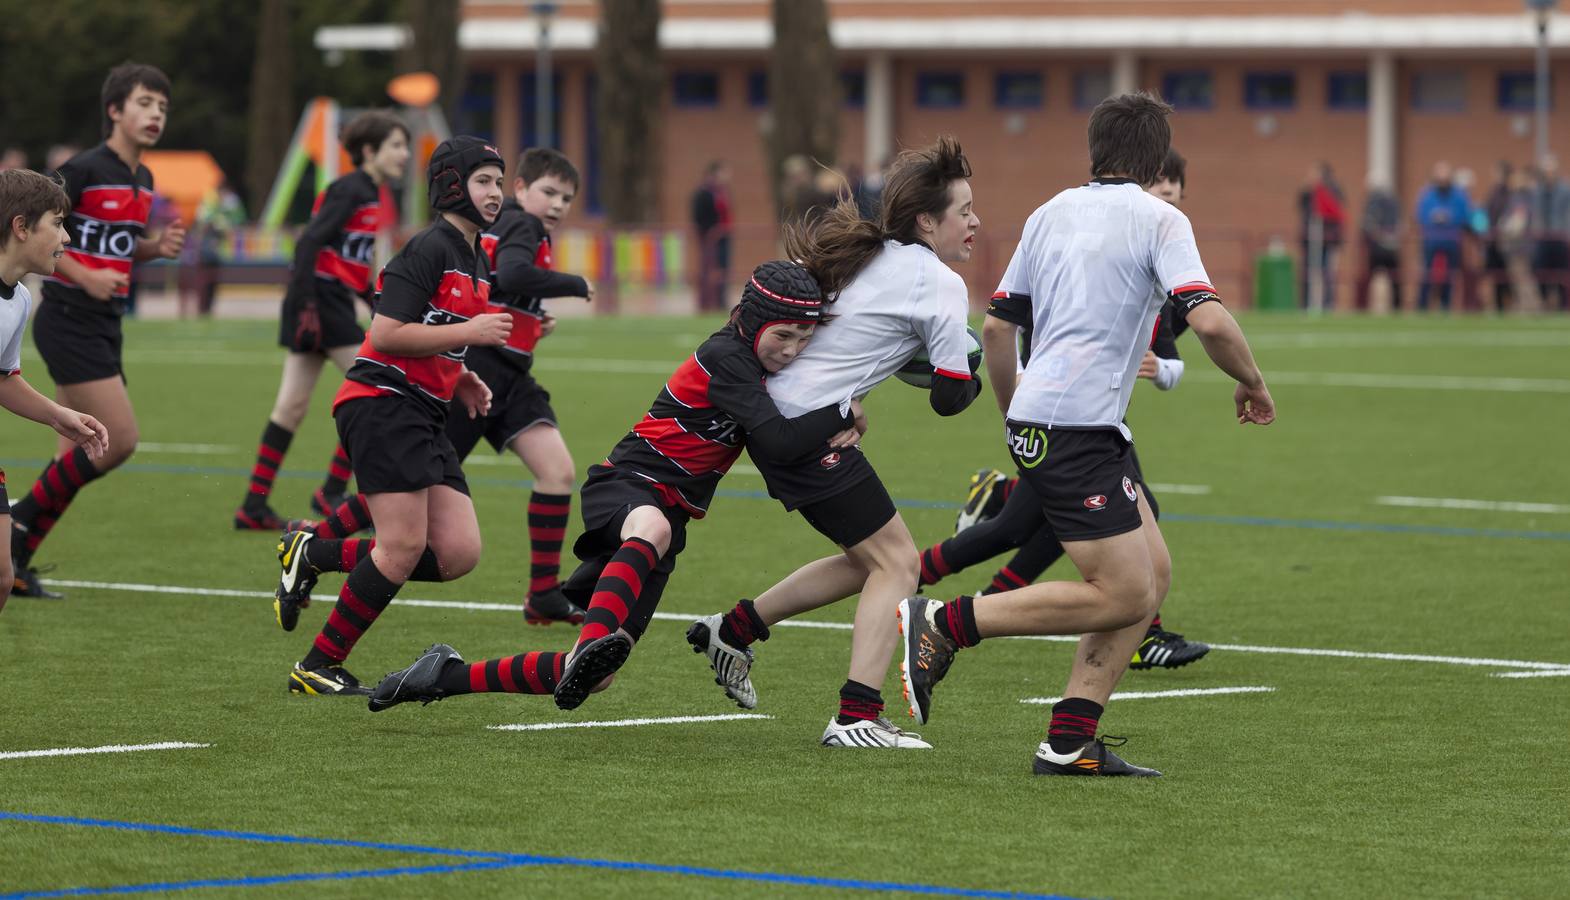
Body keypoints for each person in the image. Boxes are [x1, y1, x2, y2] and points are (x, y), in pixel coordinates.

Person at [897, 92, 1275, 777]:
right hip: (1075, 426)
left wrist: (1016, 420)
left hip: (1071, 422)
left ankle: (1069, 740)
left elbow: (996, 329)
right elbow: (1213, 323)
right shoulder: (1161, 218)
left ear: (1094, 151)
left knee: (1151, 576)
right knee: (1125, 591)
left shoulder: (1049, 212)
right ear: (1155, 158)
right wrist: (1253, 382)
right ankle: (948, 624)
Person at [362, 261, 861, 712]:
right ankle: (595, 640)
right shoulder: (727, 356)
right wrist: (843, 410)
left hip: (669, 518)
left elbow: (784, 439)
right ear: (753, 322)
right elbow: (777, 438)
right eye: (784, 336)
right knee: (651, 531)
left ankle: (444, 676)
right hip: (627, 483)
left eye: (804, 338)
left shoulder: (759, 365)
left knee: (595, 676)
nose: (793, 350)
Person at [687, 136, 983, 750]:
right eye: (964, 210)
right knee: (898, 564)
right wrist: (969, 365)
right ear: (928, 221)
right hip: (804, 426)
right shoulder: (940, 283)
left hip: (785, 418)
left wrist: (861, 394)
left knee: (867, 564)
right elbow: (949, 398)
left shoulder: (872, 255)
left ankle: (735, 630)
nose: (975, 221)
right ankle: (855, 716)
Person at [918, 147, 1211, 673]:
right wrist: (1252, 381)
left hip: (1082, 421)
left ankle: (1076, 720)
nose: (1165, 199)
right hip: (1070, 419)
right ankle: (949, 609)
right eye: (1159, 188)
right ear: (1142, 180)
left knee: (1100, 536)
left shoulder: (1113, 239)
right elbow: (1001, 328)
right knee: (1077, 549)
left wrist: (1159, 368)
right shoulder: (1112, 238)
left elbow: (1168, 358)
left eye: (1174, 193)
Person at [274, 136, 511, 695]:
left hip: (424, 411)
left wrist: (463, 373)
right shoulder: (429, 247)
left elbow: (433, 335)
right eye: (484, 180)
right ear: (452, 184)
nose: (496, 192)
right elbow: (384, 333)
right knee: (402, 546)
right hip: (383, 404)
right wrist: (471, 335)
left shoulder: (476, 256)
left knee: (457, 553)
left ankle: (312, 550)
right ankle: (316, 665)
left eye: (499, 182)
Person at [9, 63, 185, 598]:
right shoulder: (83, 169)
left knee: (74, 453)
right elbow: (42, 237)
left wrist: (155, 248)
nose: (155, 113)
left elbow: (118, 248)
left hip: (106, 325)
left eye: (162, 106)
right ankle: (18, 521)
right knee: (117, 440)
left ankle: (16, 561)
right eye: (145, 103)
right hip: (67, 321)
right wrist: (86, 277)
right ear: (114, 110)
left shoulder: (145, 180)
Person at [233, 111, 410, 531]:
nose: (404, 154)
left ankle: (253, 506)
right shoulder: (350, 189)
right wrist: (308, 303)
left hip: (326, 299)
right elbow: (310, 240)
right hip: (319, 301)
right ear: (369, 151)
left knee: (291, 407)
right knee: (379, 386)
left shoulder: (370, 192)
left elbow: (349, 259)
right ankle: (330, 490)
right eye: (397, 146)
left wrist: (371, 297)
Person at [0, 169, 111, 613]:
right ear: (21, 227)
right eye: (58, 223)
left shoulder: (22, 298)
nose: (66, 238)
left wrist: (59, 415)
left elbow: (3, 377)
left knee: (2, 576)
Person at [1415, 161, 1471, 312]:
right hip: (1431, 239)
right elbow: (1420, 215)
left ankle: (1446, 306)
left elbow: (1464, 215)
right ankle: (1422, 307)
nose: (1442, 178)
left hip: (1451, 240)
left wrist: (1449, 217)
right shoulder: (1427, 194)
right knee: (1427, 275)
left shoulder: (1459, 195)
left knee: (1450, 276)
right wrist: (1434, 218)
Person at [1356, 174, 1403, 312]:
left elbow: (1367, 225)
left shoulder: (1374, 202)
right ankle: (1396, 308)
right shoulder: (1394, 202)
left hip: (1378, 247)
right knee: (1394, 280)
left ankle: (1362, 308)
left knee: (1372, 277)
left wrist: (1378, 235)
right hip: (1391, 246)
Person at [691, 160, 733, 312]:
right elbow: (698, 216)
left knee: (723, 269)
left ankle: (721, 301)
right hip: (710, 238)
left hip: (724, 236)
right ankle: (705, 303)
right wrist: (709, 232)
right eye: (723, 172)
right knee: (708, 269)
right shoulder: (703, 193)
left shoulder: (723, 192)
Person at [1531, 155, 1570, 311]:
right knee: (1540, 272)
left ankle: (1561, 305)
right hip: (1542, 238)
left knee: (1561, 273)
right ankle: (1545, 302)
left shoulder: (1565, 190)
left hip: (1559, 237)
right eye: (1546, 170)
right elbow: (1534, 213)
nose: (1549, 173)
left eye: (1551, 170)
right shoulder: (1537, 191)